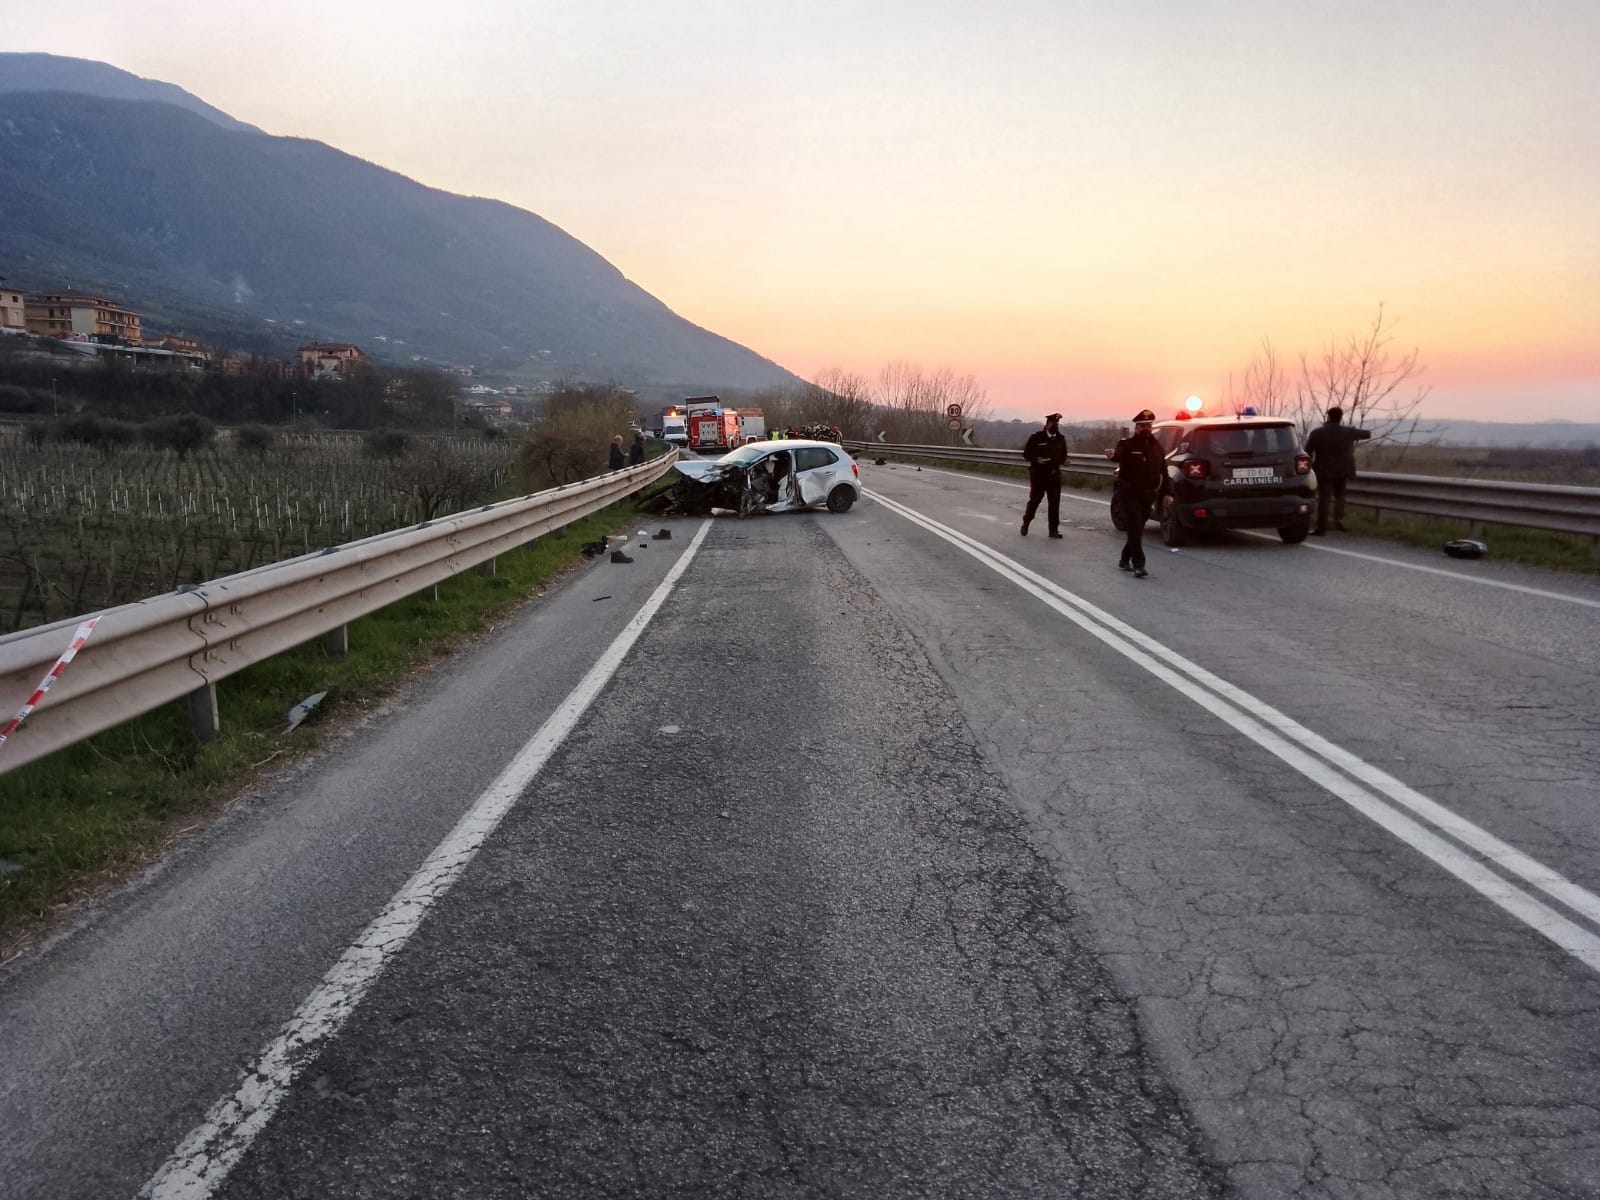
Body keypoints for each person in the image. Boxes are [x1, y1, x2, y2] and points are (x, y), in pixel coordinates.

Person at [1109, 409, 1173, 578]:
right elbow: (1119, 456)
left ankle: (1124, 558)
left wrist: (1167, 493)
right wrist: (1113, 456)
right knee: (1135, 525)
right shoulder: (1127, 445)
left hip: (1148, 494)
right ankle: (1139, 565)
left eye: (1148, 426)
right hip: (1130, 494)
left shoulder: (1156, 447)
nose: (1146, 429)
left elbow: (1163, 471)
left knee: (1137, 528)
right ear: (1136, 427)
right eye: (1142, 426)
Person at [1304, 406, 1371, 534]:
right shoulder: (1347, 432)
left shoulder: (1317, 433)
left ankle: (1321, 527)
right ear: (1340, 417)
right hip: (1342, 471)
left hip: (1323, 471)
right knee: (1340, 496)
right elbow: (1367, 434)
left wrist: (1309, 469)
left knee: (1324, 499)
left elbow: (1307, 453)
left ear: (1328, 417)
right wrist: (1353, 432)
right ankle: (1338, 520)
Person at [1020, 412, 1068, 538]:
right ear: (1047, 424)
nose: (1055, 425)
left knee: (1054, 503)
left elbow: (1063, 454)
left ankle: (1053, 530)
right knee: (1035, 501)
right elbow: (1026, 453)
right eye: (1053, 423)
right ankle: (1026, 522)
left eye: (1057, 423)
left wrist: (1064, 461)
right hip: (1039, 476)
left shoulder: (1060, 439)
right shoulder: (1037, 437)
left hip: (1054, 475)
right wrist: (1036, 459)